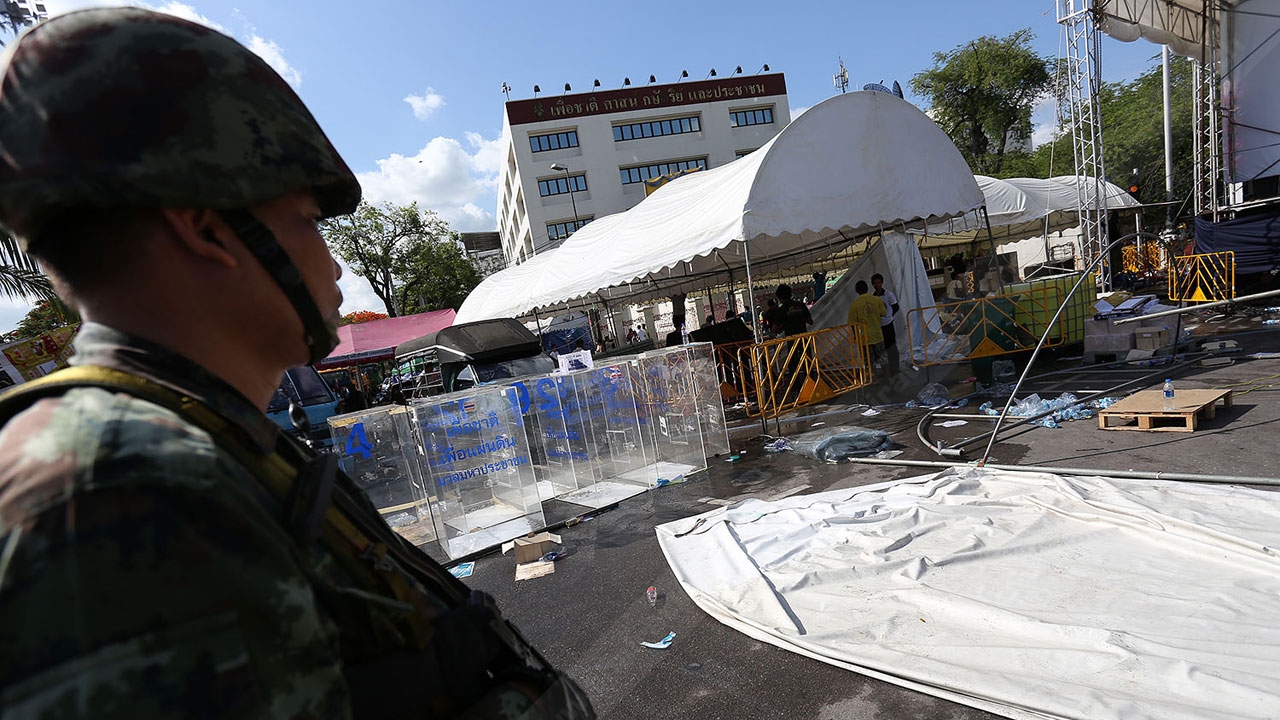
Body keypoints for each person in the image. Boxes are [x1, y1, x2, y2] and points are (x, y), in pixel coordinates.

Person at [0, 9, 592, 720]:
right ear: (208, 226)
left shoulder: (203, 447)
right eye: (309, 223)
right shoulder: (118, 488)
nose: (334, 261)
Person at [847, 280, 888, 372]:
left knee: (869, 362)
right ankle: (888, 377)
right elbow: (883, 313)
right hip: (877, 334)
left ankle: (875, 379)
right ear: (867, 288)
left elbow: (853, 324)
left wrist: (856, 337)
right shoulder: (877, 300)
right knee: (883, 359)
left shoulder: (854, 305)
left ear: (857, 291)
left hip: (864, 338)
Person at [871, 273, 900, 378]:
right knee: (882, 349)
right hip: (879, 326)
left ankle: (895, 367)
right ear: (872, 284)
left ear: (882, 283)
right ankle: (887, 370)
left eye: (879, 283)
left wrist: (889, 316)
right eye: (875, 283)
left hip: (888, 324)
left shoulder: (888, 294)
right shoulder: (873, 297)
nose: (877, 285)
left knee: (892, 347)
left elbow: (896, 307)